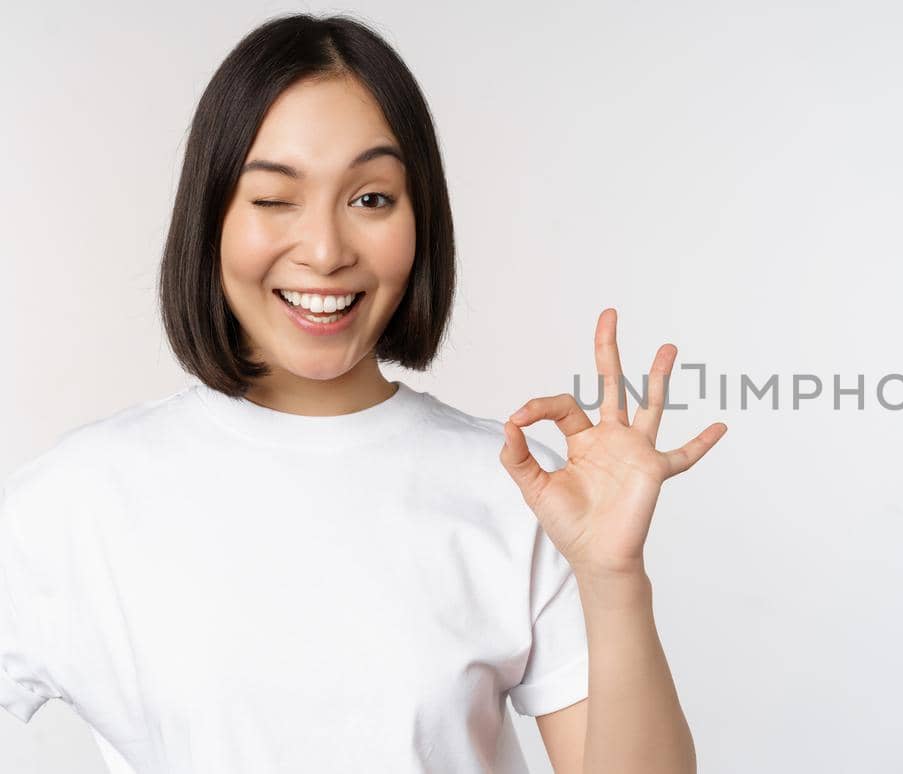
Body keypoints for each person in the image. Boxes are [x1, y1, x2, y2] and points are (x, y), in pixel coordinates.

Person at [0, 12, 724, 774]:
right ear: (209, 216)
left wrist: (612, 580)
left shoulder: (521, 489)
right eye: (274, 198)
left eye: (371, 198)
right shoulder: (78, 500)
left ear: (422, 220)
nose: (324, 250)